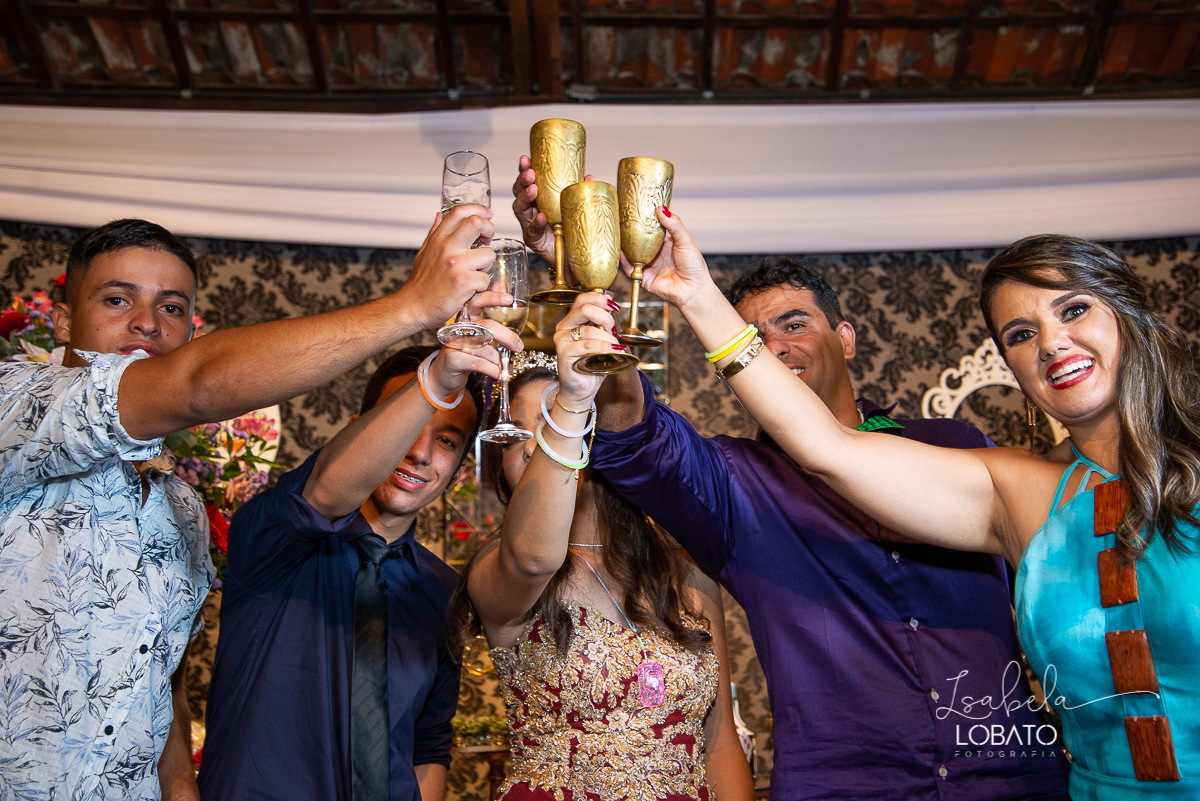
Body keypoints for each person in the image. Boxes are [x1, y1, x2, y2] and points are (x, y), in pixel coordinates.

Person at [511, 164, 1070, 800]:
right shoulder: (732, 486)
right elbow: (634, 436)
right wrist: (591, 284)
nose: (773, 348)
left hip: (1014, 780)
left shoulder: (955, 445)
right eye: (751, 336)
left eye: (794, 324)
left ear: (845, 338)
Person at [620, 215, 1200, 799]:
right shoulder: (1017, 490)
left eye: (1073, 310)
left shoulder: (961, 447)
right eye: (1021, 334)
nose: (1050, 343)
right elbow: (823, 449)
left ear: (1129, 314)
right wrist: (695, 297)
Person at [0, 208, 500, 800]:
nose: (147, 324)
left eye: (171, 308)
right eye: (116, 299)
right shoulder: (16, 405)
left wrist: (180, 789)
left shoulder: (182, 510)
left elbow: (158, 677)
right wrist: (414, 306)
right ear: (62, 321)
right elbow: (199, 386)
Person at [199, 336, 518, 801]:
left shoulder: (445, 589)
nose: (420, 453)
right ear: (358, 431)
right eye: (407, 425)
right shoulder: (275, 536)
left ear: (457, 470)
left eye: (446, 440)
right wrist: (435, 378)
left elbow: (428, 743)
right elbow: (322, 493)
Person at [453, 329, 755, 801]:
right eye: (515, 437)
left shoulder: (686, 571)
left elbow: (719, 742)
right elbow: (533, 560)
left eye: (555, 419)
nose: (533, 446)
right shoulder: (499, 567)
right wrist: (570, 408)